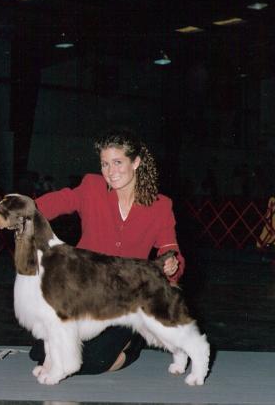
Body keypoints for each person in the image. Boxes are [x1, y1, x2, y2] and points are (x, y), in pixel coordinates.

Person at [30, 128, 184, 375]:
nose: (110, 172)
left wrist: (172, 263)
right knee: (41, 353)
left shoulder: (160, 205)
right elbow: (60, 201)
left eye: (117, 163)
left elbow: (170, 248)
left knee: (93, 361)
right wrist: (25, 209)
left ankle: (134, 342)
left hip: (127, 297)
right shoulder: (91, 186)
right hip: (83, 290)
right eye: (104, 164)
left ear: (136, 162)